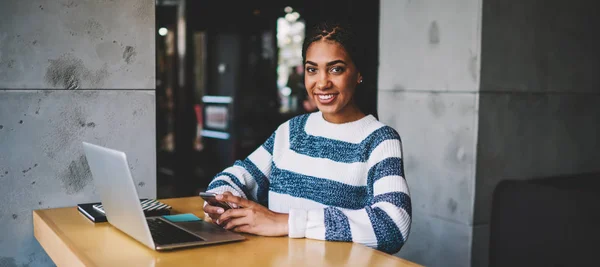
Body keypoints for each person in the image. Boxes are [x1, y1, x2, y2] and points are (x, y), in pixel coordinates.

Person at [203, 20, 411, 254]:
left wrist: (284, 222)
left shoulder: (379, 140)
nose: (322, 83)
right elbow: (238, 175)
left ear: (358, 73)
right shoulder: (291, 131)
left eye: (336, 69)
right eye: (312, 69)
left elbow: (393, 225)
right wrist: (222, 203)